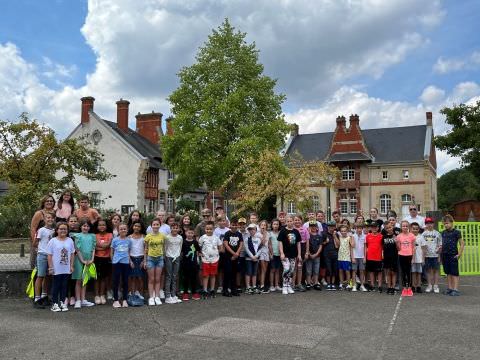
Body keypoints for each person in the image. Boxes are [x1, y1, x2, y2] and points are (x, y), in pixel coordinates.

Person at [47, 222, 75, 312]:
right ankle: (55, 304)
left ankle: (62, 302)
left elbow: (72, 254)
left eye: (65, 229)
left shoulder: (70, 240)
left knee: (64, 286)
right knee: (56, 286)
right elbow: (49, 255)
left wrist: (71, 266)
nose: (63, 230)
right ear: (57, 230)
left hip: (66, 268)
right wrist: (51, 267)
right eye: (61, 229)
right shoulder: (53, 241)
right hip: (56, 268)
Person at [71, 220, 96, 308]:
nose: (86, 228)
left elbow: (93, 249)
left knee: (85, 280)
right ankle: (78, 300)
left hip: (89, 260)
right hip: (79, 260)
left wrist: (92, 259)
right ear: (80, 227)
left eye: (87, 226)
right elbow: (77, 249)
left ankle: (83, 299)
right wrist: (82, 260)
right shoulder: (77, 236)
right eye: (84, 226)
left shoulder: (92, 236)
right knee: (78, 280)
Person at [33, 212, 55, 309]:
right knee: (40, 276)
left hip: (51, 256)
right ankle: (37, 299)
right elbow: (35, 242)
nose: (50, 219)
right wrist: (39, 250)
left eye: (51, 218)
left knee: (48, 277)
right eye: (47, 218)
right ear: (44, 220)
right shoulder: (41, 230)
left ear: (54, 219)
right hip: (42, 255)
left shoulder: (54, 231)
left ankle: (44, 296)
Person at [144, 218, 166, 306]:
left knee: (158, 279)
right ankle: (151, 297)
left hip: (159, 259)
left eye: (157, 224)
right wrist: (145, 261)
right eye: (154, 224)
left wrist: (163, 258)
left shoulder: (162, 236)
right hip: (150, 259)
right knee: (151, 279)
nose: (156, 226)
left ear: (160, 225)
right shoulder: (148, 236)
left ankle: (157, 296)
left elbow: (164, 248)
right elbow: (145, 249)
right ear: (151, 226)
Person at [440, 215, 464, 296]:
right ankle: (450, 288)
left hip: (453, 255)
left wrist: (459, 254)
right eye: (444, 224)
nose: (446, 225)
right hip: (445, 255)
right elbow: (441, 244)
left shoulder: (457, 232)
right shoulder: (443, 233)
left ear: (452, 223)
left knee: (454, 273)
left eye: (447, 223)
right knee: (448, 273)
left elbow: (462, 244)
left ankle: (455, 289)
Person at [30, 195, 56, 269]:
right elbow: (33, 228)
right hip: (40, 242)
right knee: (38, 267)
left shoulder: (55, 212)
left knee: (50, 267)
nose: (49, 202)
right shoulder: (39, 213)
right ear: (43, 202)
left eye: (51, 201)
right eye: (47, 201)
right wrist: (36, 243)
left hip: (51, 243)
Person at [198, 221, 223, 298]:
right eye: (207, 229)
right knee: (205, 275)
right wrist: (200, 253)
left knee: (213, 275)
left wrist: (216, 252)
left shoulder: (216, 238)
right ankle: (205, 290)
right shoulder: (202, 238)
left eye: (210, 229)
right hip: (205, 259)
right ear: (205, 229)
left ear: (213, 229)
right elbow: (199, 247)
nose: (209, 230)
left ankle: (212, 289)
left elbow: (221, 247)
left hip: (214, 259)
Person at [278, 215, 301, 295]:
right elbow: (280, 242)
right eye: (288, 221)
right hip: (285, 255)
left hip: (293, 255)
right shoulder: (283, 231)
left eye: (291, 221)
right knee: (286, 269)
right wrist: (281, 253)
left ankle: (289, 286)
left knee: (291, 271)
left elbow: (298, 244)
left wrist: (299, 255)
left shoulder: (296, 231)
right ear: (286, 222)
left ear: (293, 222)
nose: (289, 222)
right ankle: (284, 286)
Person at [110, 224, 132, 308]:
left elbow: (129, 251)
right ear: (118, 231)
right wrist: (113, 260)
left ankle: (124, 300)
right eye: (121, 229)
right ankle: (116, 300)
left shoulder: (129, 240)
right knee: (116, 281)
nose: (123, 230)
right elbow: (111, 251)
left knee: (125, 281)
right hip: (117, 263)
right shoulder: (115, 240)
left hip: (125, 263)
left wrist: (130, 261)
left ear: (127, 230)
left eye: (124, 229)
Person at [222, 218, 243, 297]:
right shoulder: (227, 233)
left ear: (237, 225)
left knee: (234, 273)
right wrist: (233, 254)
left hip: (236, 257)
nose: (234, 226)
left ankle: (233, 289)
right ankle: (225, 290)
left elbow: (241, 244)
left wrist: (237, 253)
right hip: (228, 257)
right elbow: (226, 244)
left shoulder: (239, 234)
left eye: (235, 225)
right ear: (230, 225)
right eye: (232, 225)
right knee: (227, 273)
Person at [94, 219, 113, 305]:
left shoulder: (110, 234)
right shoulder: (95, 235)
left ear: (106, 226)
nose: (102, 226)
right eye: (100, 225)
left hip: (107, 258)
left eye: (103, 225)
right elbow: (95, 247)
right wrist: (103, 247)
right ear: (97, 227)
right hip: (97, 258)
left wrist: (100, 247)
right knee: (97, 278)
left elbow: (107, 245)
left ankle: (102, 295)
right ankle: (97, 295)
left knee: (104, 278)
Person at [180, 226, 201, 301]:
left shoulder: (195, 242)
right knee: (185, 278)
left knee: (194, 278)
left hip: (194, 264)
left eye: (192, 233)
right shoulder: (183, 242)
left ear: (194, 234)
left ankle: (194, 292)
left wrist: (198, 259)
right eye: (189, 233)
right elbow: (181, 252)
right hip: (185, 263)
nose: (190, 234)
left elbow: (198, 251)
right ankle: (185, 293)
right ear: (186, 233)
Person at [164, 223, 183, 304]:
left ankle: (173, 294)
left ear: (178, 229)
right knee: (169, 276)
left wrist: (177, 255)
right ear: (170, 229)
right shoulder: (167, 237)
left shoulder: (180, 237)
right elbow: (165, 247)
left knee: (175, 276)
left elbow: (180, 247)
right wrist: (166, 256)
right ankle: (167, 296)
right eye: (173, 228)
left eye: (176, 228)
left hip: (177, 257)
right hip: (169, 257)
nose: (175, 229)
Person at [422, 217, 442, 293]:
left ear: (433, 224)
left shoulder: (437, 233)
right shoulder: (424, 234)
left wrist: (439, 256)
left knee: (436, 270)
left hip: (435, 255)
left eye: (430, 223)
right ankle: (429, 285)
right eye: (427, 223)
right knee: (428, 271)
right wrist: (423, 257)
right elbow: (423, 246)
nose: (429, 224)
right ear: (425, 225)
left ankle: (436, 285)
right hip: (427, 255)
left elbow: (440, 245)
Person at [396, 220, 416, 296]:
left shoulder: (412, 236)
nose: (405, 227)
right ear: (401, 227)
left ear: (408, 227)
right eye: (403, 226)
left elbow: (413, 247)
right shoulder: (399, 236)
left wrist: (413, 258)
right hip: (401, 255)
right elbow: (398, 248)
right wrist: (397, 242)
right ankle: (405, 288)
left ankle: (410, 288)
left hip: (409, 256)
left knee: (409, 272)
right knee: (403, 272)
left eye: (406, 226)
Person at [128, 221, 145, 302]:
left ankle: (140, 293)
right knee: (132, 277)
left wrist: (144, 261)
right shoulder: (129, 237)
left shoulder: (144, 237)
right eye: (135, 226)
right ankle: (132, 292)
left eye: (139, 226)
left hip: (141, 259)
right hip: (132, 259)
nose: (137, 227)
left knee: (140, 277)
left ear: (141, 228)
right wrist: (129, 260)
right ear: (132, 227)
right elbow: (127, 250)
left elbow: (146, 250)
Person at [365, 220, 384, 292]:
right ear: (371, 228)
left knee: (379, 272)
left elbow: (382, 246)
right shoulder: (368, 236)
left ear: (378, 228)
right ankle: (372, 285)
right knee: (371, 272)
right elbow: (366, 246)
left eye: (375, 227)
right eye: (372, 227)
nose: (374, 228)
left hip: (378, 257)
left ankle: (379, 285)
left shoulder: (381, 236)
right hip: (370, 257)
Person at [305, 221, 323, 290]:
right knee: (308, 270)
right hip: (309, 255)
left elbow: (320, 246)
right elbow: (307, 245)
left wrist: (316, 254)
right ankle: (308, 283)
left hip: (317, 256)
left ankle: (316, 283)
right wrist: (309, 253)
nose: (313, 228)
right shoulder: (308, 235)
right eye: (311, 226)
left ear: (317, 227)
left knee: (316, 270)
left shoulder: (319, 236)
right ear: (309, 227)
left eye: (314, 226)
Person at [213, 216, 230, 294]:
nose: (222, 222)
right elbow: (214, 241)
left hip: (227, 253)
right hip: (219, 253)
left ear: (226, 222)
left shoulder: (228, 230)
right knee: (219, 270)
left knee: (227, 270)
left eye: (224, 221)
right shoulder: (215, 231)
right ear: (218, 222)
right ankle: (220, 286)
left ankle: (227, 285)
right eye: (220, 221)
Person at [293, 214, 309, 291]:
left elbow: (307, 241)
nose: (297, 221)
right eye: (295, 220)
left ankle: (299, 284)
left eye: (298, 220)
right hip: (293, 248)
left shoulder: (305, 229)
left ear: (301, 221)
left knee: (300, 267)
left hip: (302, 248)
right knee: (294, 268)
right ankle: (292, 284)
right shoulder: (292, 229)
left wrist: (306, 252)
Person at [244, 223, 261, 294]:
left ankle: (254, 286)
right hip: (248, 259)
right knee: (248, 272)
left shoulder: (259, 239)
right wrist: (252, 256)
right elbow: (246, 249)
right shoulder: (246, 239)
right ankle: (248, 287)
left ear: (256, 230)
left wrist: (256, 256)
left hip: (256, 259)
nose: (251, 231)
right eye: (250, 229)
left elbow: (260, 248)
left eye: (253, 229)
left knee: (254, 273)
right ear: (248, 231)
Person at [382, 223, 398, 295]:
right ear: (385, 229)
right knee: (388, 273)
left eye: (390, 227)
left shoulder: (396, 236)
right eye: (387, 228)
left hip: (394, 257)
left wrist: (396, 240)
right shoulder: (384, 237)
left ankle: (393, 287)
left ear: (392, 227)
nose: (389, 229)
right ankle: (389, 287)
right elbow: (382, 247)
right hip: (386, 257)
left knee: (393, 273)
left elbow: (398, 248)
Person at [323, 221, 339, 290]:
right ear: (327, 227)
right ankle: (329, 283)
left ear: (335, 227)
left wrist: (335, 236)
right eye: (329, 227)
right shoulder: (324, 234)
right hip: (327, 254)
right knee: (328, 270)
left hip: (335, 254)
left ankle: (333, 284)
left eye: (332, 227)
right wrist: (325, 242)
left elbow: (338, 244)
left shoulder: (336, 234)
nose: (331, 228)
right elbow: (321, 244)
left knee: (334, 269)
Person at [337, 224, 354, 290]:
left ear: (347, 231)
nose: (343, 232)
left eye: (345, 231)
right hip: (340, 257)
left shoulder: (349, 237)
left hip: (347, 257)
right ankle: (341, 283)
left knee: (347, 271)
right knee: (340, 271)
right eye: (342, 231)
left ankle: (349, 283)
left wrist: (351, 236)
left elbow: (352, 245)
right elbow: (338, 245)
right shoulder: (340, 237)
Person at [351, 222, 367, 292]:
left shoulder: (364, 236)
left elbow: (365, 248)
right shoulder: (353, 236)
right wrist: (352, 257)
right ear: (355, 229)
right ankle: (354, 286)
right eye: (357, 228)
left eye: (360, 228)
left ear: (362, 229)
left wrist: (365, 257)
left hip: (362, 256)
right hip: (355, 256)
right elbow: (352, 247)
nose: (359, 230)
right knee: (354, 271)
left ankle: (362, 285)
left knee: (362, 271)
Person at [411, 222, 426, 293]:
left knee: (419, 273)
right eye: (413, 229)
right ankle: (414, 286)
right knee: (413, 272)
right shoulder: (410, 236)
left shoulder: (421, 237)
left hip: (419, 258)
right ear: (411, 229)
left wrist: (423, 258)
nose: (415, 230)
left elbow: (423, 248)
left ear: (419, 229)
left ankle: (419, 286)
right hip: (412, 259)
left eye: (416, 229)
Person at [257, 220, 272, 293]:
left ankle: (262, 284)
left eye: (265, 225)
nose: (263, 226)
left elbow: (269, 244)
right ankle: (261, 285)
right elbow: (260, 245)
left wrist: (271, 253)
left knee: (264, 270)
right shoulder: (258, 234)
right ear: (259, 226)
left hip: (266, 252)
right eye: (262, 225)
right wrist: (263, 235)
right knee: (262, 269)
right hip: (260, 253)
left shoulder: (268, 234)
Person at [268, 219, 282, 292]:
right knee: (272, 270)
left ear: (279, 225)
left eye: (277, 224)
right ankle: (271, 285)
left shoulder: (280, 233)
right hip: (273, 254)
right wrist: (271, 253)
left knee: (277, 270)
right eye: (274, 224)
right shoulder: (270, 233)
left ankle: (277, 285)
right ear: (272, 225)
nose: (275, 226)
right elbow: (269, 244)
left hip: (279, 254)